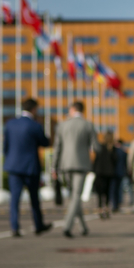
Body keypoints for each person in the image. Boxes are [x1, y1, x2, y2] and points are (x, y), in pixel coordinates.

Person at [3, 98, 53, 237]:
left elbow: (5, 146)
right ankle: (38, 225)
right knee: (34, 198)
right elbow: (44, 143)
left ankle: (14, 227)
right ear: (34, 109)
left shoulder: (10, 124)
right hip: (30, 167)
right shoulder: (35, 125)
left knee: (15, 199)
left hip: (13, 166)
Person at [54, 101, 100, 238]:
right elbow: (96, 147)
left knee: (73, 196)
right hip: (81, 164)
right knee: (76, 196)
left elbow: (57, 148)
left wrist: (54, 167)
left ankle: (82, 227)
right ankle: (67, 226)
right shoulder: (88, 125)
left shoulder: (62, 125)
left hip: (65, 165)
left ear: (73, 109)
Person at [93, 131, 117, 219]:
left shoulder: (100, 147)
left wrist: (93, 170)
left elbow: (96, 160)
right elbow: (115, 161)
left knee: (99, 193)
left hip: (99, 173)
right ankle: (106, 209)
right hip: (109, 173)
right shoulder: (112, 148)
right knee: (107, 193)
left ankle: (100, 209)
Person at [110, 138, 128, 213]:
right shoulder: (123, 152)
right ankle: (118, 203)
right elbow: (125, 163)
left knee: (113, 189)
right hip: (121, 172)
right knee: (119, 189)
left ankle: (114, 204)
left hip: (113, 173)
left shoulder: (113, 151)